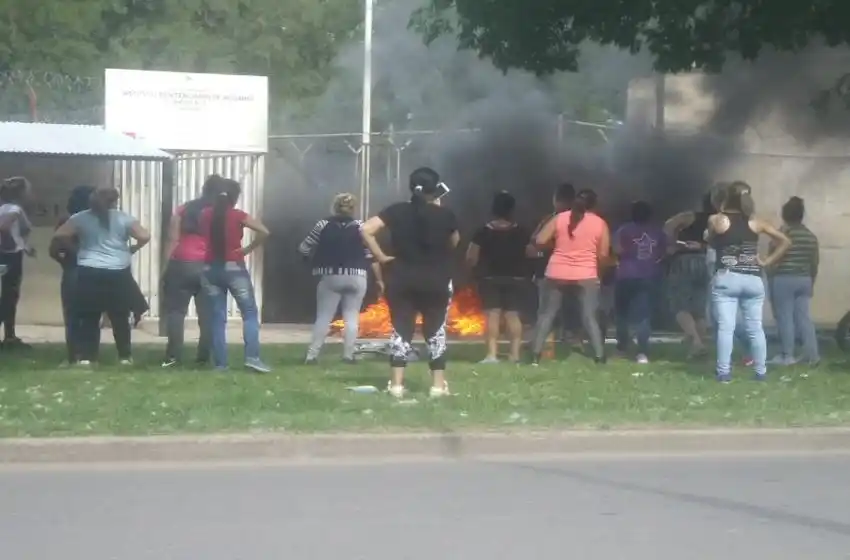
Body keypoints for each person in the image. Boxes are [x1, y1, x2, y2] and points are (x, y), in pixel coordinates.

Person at [360, 167, 458, 398]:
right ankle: (437, 385)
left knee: (401, 329)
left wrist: (381, 256)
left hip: (402, 277)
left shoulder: (397, 211)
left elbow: (365, 229)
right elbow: (454, 241)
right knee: (435, 330)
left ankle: (396, 385)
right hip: (436, 278)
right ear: (435, 190)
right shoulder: (445, 215)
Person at [51, 186, 151, 365]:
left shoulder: (80, 218)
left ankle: (89, 357)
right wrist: (131, 249)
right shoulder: (124, 218)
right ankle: (125, 356)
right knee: (119, 315)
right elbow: (144, 236)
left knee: (89, 314)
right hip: (118, 270)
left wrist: (79, 249)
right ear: (115, 200)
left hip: (89, 269)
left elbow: (60, 235)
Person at [707, 181, 791, 382]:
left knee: (726, 328)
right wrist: (767, 261)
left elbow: (711, 241)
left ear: (726, 198)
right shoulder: (756, 223)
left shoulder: (717, 220)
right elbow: (786, 241)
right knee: (755, 328)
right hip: (753, 279)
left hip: (727, 278)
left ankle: (724, 373)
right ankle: (761, 372)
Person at [530, 188, 610, 365]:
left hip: (557, 272)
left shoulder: (560, 218)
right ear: (594, 205)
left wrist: (557, 243)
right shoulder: (600, 224)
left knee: (547, 314)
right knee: (589, 316)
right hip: (586, 274)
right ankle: (599, 355)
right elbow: (603, 254)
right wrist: (598, 272)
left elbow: (540, 240)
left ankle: (535, 355)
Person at [299, 192, 381, 364]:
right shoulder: (361, 227)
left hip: (331, 275)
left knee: (324, 317)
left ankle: (312, 356)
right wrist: (380, 279)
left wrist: (308, 260)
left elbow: (304, 247)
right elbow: (371, 255)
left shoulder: (323, 224)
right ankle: (348, 356)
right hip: (357, 276)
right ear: (353, 209)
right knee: (351, 317)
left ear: (335, 207)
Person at [199, 178, 271, 372]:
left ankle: (221, 364)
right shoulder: (238, 215)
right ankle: (252, 358)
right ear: (235, 197)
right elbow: (264, 231)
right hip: (234, 267)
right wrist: (247, 249)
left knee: (217, 317)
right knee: (249, 313)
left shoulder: (205, 214)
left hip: (209, 269)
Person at [160, 174, 222, 368]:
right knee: (208, 315)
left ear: (203, 188)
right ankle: (204, 358)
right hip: (210, 266)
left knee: (176, 313)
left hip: (181, 264)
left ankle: (173, 357)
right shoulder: (223, 213)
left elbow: (172, 239)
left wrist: (164, 268)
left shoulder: (184, 209)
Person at [466, 191, 530, 363]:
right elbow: (532, 253)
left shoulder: (483, 232)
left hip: (489, 279)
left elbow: (471, 257)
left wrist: (473, 270)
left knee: (492, 316)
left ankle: (492, 355)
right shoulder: (522, 232)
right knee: (512, 316)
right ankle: (514, 355)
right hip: (515, 278)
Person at [768, 196, 820, 366]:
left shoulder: (782, 234)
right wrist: (811, 281)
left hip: (784, 278)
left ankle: (786, 355)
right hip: (804, 279)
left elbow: (773, 257)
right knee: (804, 318)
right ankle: (812, 354)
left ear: (784, 215)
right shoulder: (811, 236)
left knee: (785, 318)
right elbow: (814, 262)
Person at [613, 201, 667, 363]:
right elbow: (664, 252)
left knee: (622, 314)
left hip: (625, 275)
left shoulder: (624, 230)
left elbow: (617, 249)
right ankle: (642, 353)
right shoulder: (658, 231)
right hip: (649, 276)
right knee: (643, 315)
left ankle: (622, 348)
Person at [527, 183, 578, 354]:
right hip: (577, 271)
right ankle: (569, 341)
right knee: (571, 307)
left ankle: (541, 345)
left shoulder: (551, 219)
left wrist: (549, 247)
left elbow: (536, 240)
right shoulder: (584, 219)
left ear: (557, 200)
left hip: (551, 271)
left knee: (547, 310)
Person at [664, 192, 714, 357]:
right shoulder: (720, 222)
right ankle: (698, 347)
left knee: (680, 305)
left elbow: (668, 224)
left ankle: (696, 342)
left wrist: (674, 243)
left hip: (685, 262)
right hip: (705, 262)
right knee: (699, 309)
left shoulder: (691, 216)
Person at [49, 185, 95, 364]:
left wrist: (67, 262)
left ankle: (73, 355)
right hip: (95, 269)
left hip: (72, 270)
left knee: (72, 315)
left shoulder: (66, 221)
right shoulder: (97, 219)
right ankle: (90, 354)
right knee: (91, 314)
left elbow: (53, 250)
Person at [0, 177, 35, 349]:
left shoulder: (4, 208)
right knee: (10, 295)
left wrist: (25, 246)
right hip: (10, 257)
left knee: (8, 294)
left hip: (11, 254)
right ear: (20, 193)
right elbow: (5, 228)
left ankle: (10, 334)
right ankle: (9, 335)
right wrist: (10, 246)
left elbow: (17, 232)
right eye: (27, 190)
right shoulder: (14, 209)